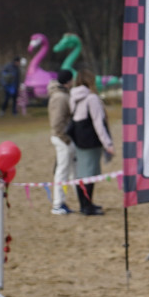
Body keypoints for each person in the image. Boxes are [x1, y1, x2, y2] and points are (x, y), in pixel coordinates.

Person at [68, 69, 115, 216]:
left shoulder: (73, 97)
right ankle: (87, 206)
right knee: (90, 174)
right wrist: (108, 143)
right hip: (91, 141)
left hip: (78, 140)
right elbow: (98, 123)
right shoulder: (92, 98)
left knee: (81, 174)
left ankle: (84, 204)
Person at [48, 69, 76, 215]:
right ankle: (57, 204)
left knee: (70, 171)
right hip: (62, 138)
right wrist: (65, 139)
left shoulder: (62, 95)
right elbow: (57, 122)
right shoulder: (60, 98)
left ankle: (77, 199)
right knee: (62, 171)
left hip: (63, 138)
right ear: (67, 82)